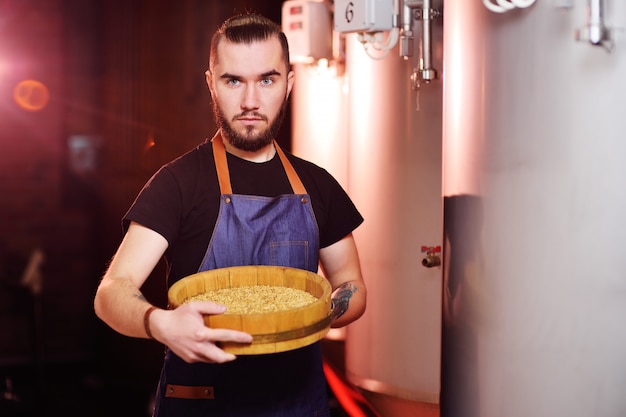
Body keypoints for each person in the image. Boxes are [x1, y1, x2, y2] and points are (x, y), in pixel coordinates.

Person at [94, 12, 367, 417]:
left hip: (297, 404)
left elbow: (351, 284)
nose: (251, 101)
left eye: (267, 80)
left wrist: (305, 317)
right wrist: (159, 323)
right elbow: (111, 291)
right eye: (233, 80)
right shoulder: (178, 183)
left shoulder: (318, 185)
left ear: (290, 84)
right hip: (202, 402)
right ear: (211, 83)